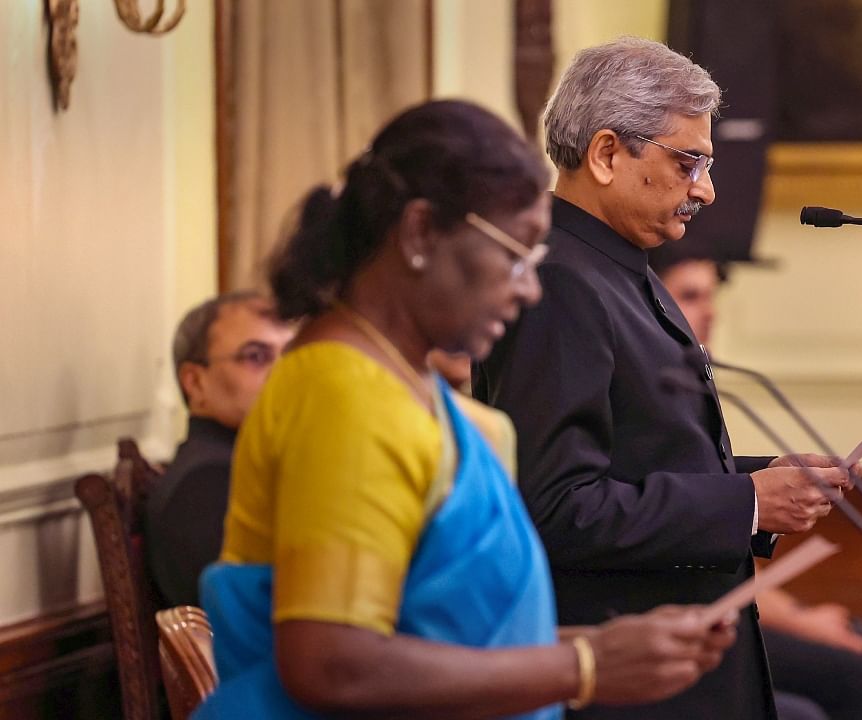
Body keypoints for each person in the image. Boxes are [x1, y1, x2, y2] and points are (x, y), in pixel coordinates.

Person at [193, 99, 736, 720]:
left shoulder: (398, 383)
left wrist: (610, 649)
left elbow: (443, 636)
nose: (530, 287)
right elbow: (332, 663)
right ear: (421, 232)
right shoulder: (343, 393)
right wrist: (581, 667)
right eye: (517, 254)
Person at [473, 37, 852, 719]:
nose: (705, 190)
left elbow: (642, 454)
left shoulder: (613, 267)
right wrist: (746, 505)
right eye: (689, 163)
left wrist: (763, 481)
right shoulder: (560, 282)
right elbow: (555, 507)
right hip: (626, 680)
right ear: (608, 154)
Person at [649, 245, 862, 720]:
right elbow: (660, 513)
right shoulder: (645, 388)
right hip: (661, 616)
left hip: (710, 599)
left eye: (712, 297)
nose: (709, 313)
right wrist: (799, 620)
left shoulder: (690, 385)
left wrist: (772, 469)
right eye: (691, 295)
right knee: (853, 682)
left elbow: (703, 501)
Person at [145, 291, 293, 608]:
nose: (285, 373)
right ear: (195, 383)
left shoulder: (248, 465)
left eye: (293, 355)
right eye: (256, 357)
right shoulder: (207, 485)